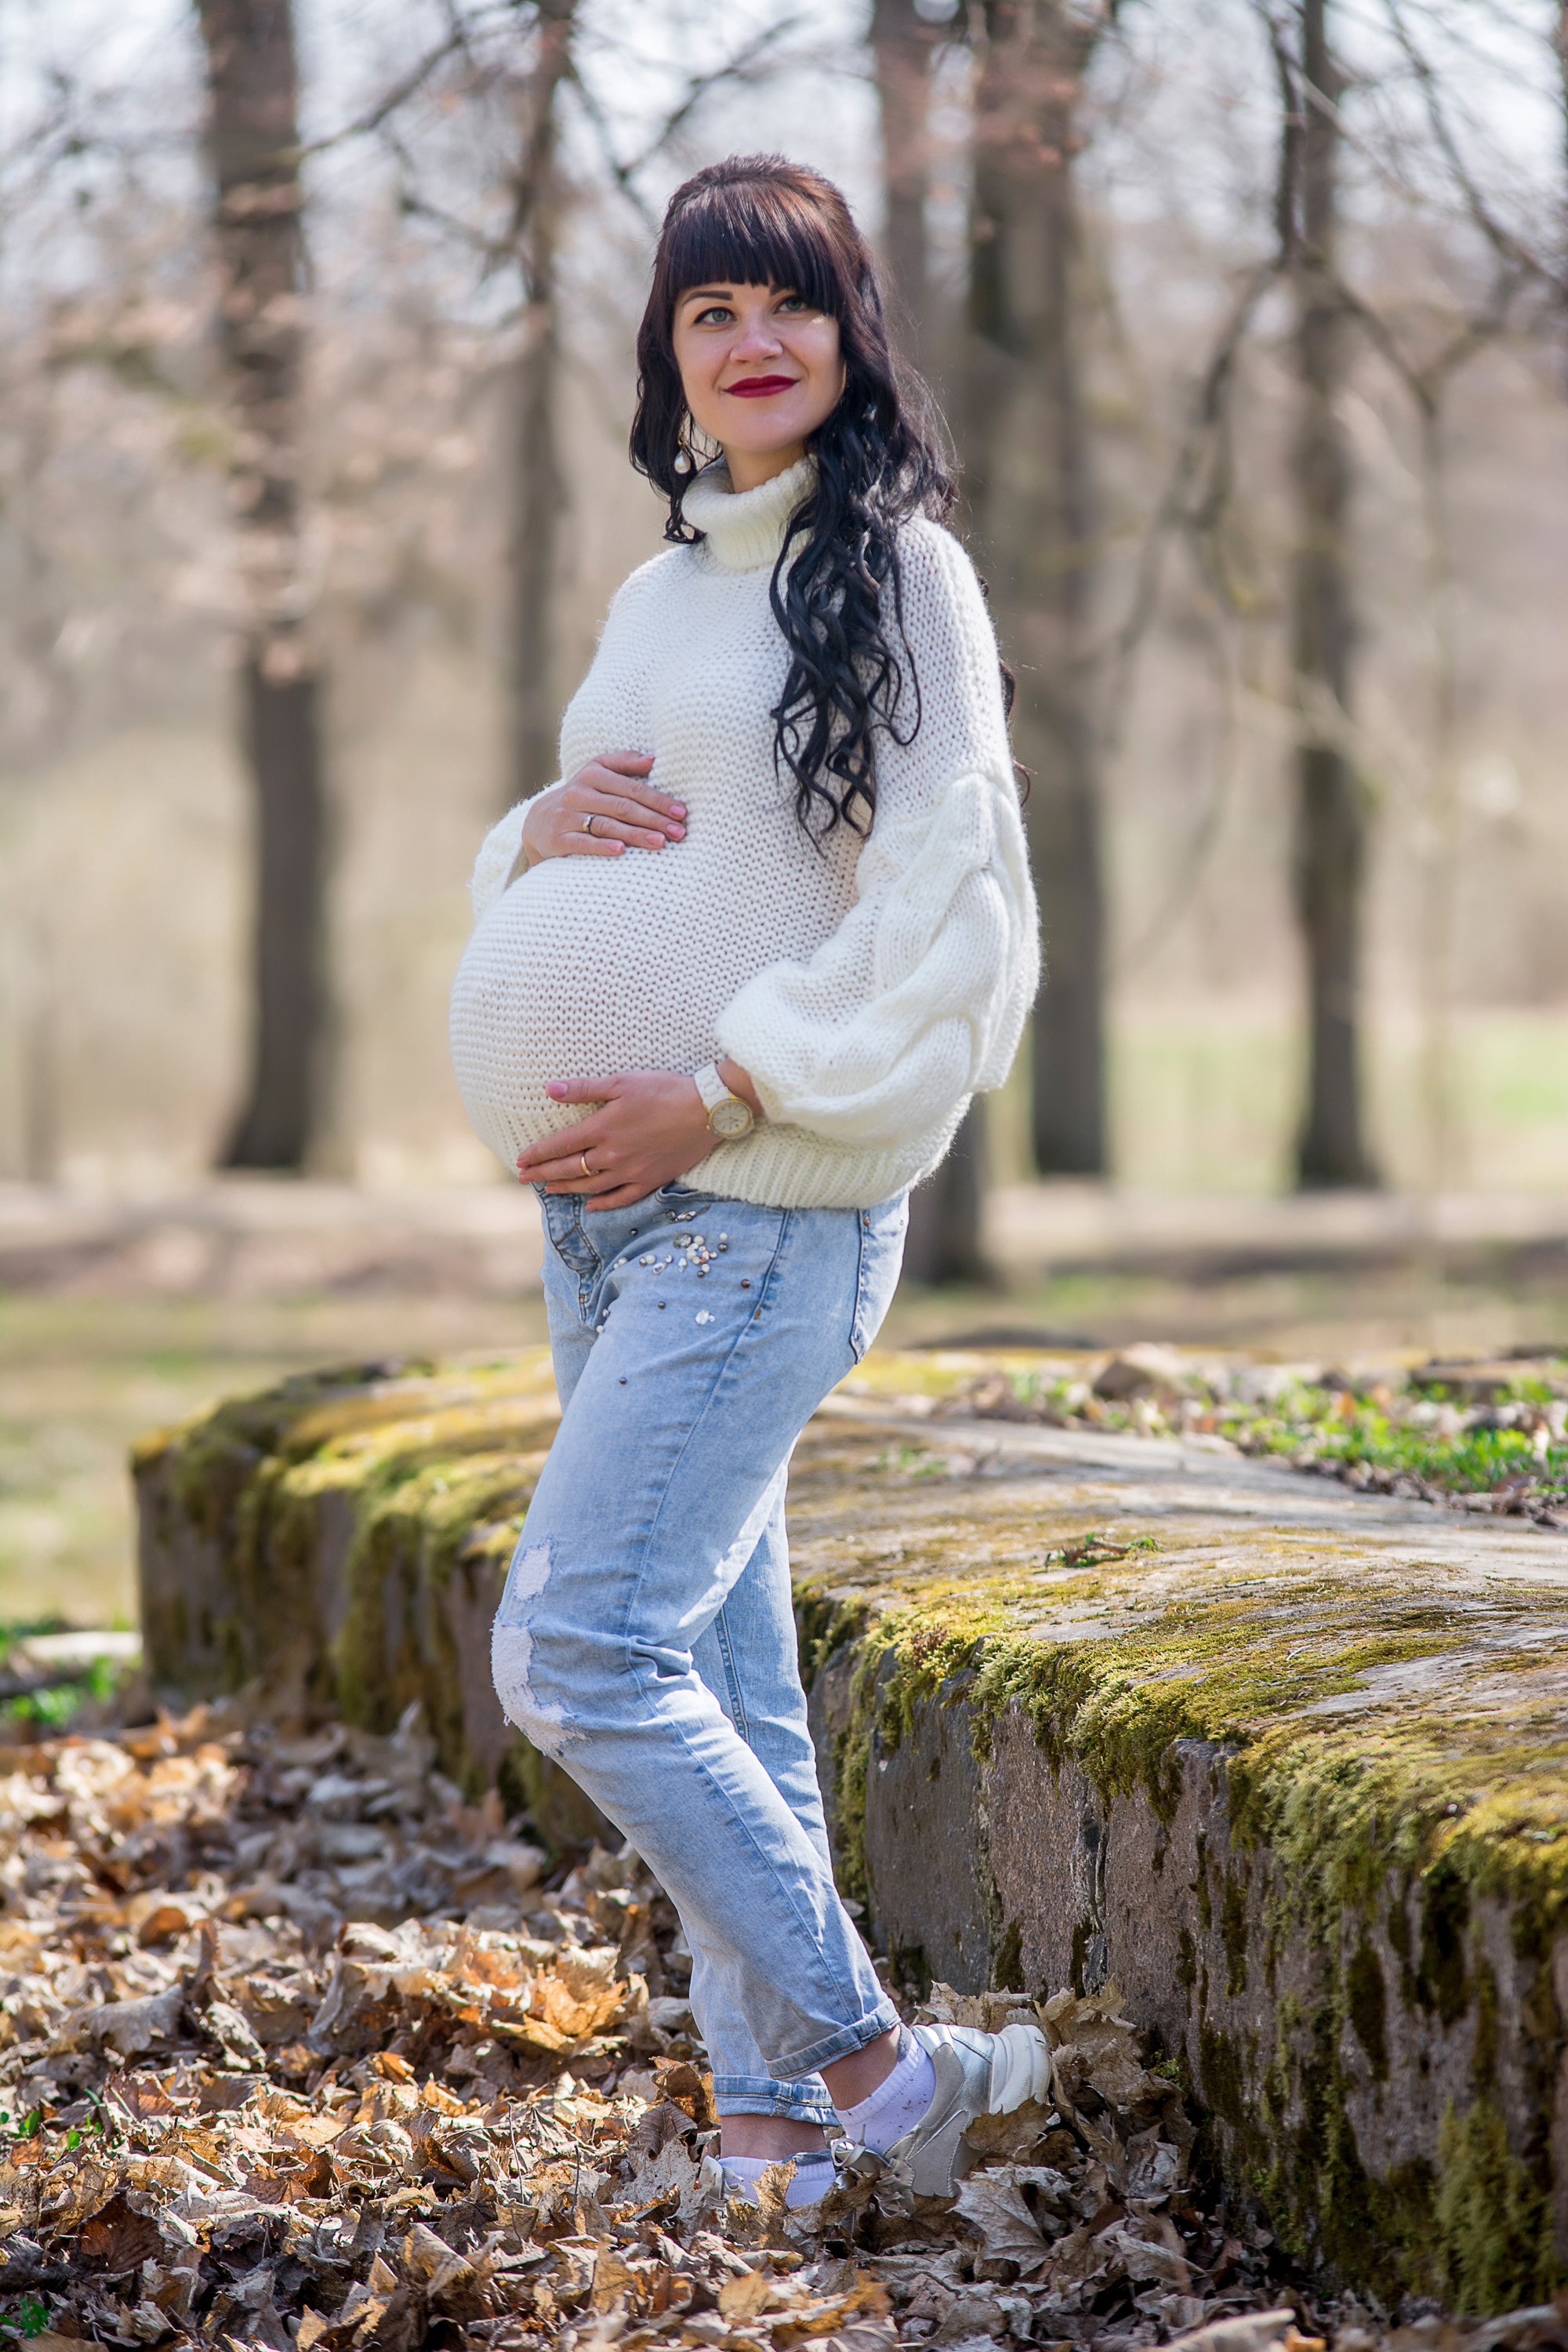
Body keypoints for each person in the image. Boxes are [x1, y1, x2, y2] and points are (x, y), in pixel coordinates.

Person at [448, 154, 1041, 2207]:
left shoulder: (900, 576)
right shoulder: (659, 588)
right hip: (598, 1213)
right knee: (713, 1670)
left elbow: (951, 913)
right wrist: (528, 835)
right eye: (710, 311)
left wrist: (725, 1090)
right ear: (669, 358)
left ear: (849, 330)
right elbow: (623, 840)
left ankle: (877, 2061)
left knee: (579, 1650)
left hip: (759, 1199)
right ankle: (776, 2135)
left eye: (788, 303)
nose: (752, 341)